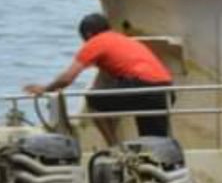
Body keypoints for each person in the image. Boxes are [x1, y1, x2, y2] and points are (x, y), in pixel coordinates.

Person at [23, 13, 173, 144]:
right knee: (154, 141)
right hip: (165, 90)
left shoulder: (96, 42)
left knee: (94, 101)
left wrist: (44, 89)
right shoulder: (124, 40)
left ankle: (114, 147)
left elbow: (67, 79)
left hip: (142, 87)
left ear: (88, 34)